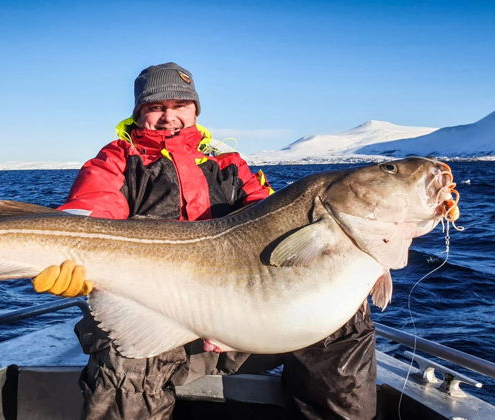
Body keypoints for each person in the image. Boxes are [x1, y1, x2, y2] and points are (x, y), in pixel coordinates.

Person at [33, 62, 377, 419]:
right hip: (158, 317)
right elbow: (91, 209)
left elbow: (273, 215)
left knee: (345, 321)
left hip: (245, 319)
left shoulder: (229, 164)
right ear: (138, 113)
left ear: (195, 109)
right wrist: (66, 257)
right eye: (156, 107)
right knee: (124, 360)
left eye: (180, 105)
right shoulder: (116, 161)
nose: (169, 117)